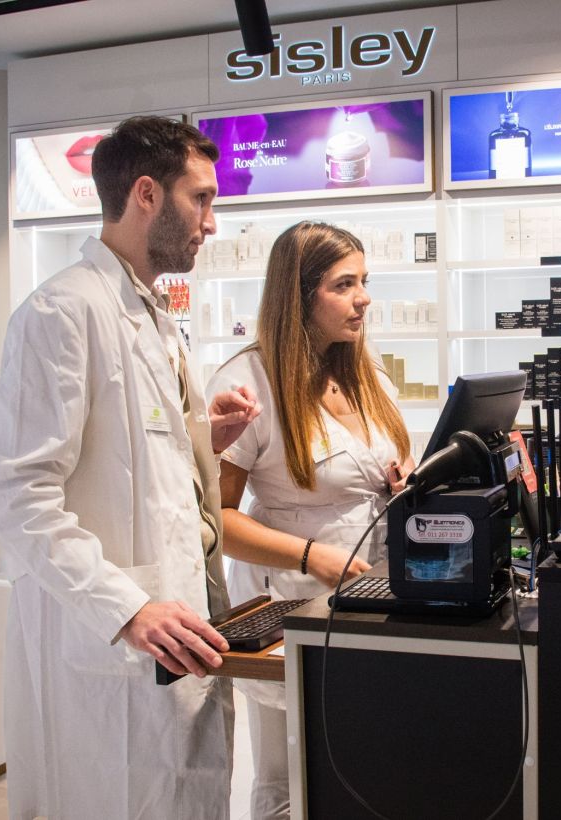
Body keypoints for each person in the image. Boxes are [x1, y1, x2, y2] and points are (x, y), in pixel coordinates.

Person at [0, 116, 261, 820]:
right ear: (145, 194)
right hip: (111, 644)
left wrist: (204, 434)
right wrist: (126, 607)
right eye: (201, 199)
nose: (211, 222)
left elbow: (137, 460)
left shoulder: (153, 314)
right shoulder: (62, 312)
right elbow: (17, 494)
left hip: (180, 623)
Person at [205, 221, 414, 820]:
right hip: (293, 601)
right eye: (344, 284)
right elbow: (217, 517)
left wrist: (404, 481)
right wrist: (309, 556)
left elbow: (385, 467)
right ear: (299, 294)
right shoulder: (248, 384)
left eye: (365, 282)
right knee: (288, 774)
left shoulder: (364, 375)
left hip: (369, 592)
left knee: (354, 762)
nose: (364, 298)